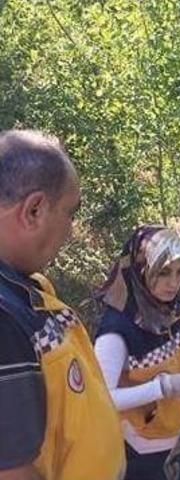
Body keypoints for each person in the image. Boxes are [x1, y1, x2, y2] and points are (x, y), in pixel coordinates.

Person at [0, 129, 126, 479]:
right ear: (34, 210)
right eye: (70, 213)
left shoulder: (25, 289)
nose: (71, 231)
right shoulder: (3, 317)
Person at [93, 225, 180, 480]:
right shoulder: (116, 330)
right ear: (140, 270)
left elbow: (164, 361)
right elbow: (102, 399)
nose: (174, 283)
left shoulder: (166, 311)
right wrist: (164, 387)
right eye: (164, 272)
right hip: (138, 456)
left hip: (175, 442)